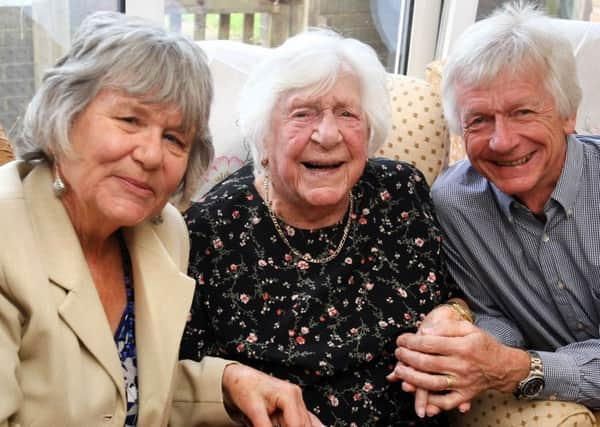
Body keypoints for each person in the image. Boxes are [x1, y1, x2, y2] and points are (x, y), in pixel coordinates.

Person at [0, 11, 319, 427]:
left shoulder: (163, 233)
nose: (151, 156)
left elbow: (122, 392)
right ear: (66, 112)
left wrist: (226, 384)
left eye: (174, 138)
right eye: (130, 120)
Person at [179, 28, 468, 426]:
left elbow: (453, 296)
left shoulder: (401, 193)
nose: (328, 134)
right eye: (303, 114)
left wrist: (453, 317)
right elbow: (187, 383)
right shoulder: (210, 231)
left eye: (347, 114)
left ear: (369, 131)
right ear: (263, 135)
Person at [388, 1, 600, 422]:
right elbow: (495, 315)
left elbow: (518, 366)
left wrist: (523, 369)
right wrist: (463, 345)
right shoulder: (454, 204)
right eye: (479, 120)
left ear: (567, 114)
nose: (502, 141)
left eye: (522, 112)